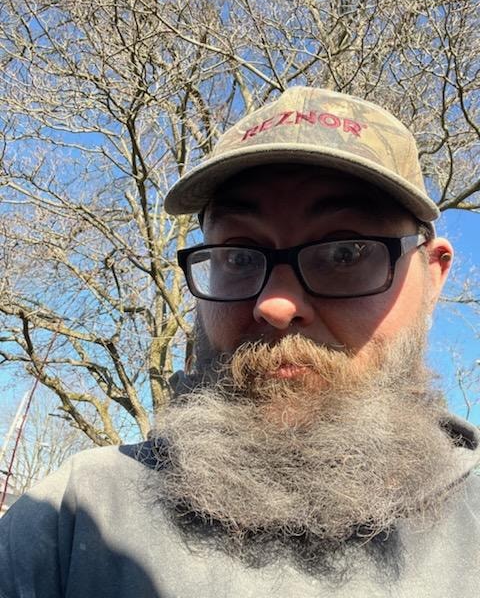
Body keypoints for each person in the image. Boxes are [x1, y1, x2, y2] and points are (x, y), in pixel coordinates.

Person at [1, 87, 479, 597]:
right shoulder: (72, 518)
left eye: (344, 253)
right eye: (239, 257)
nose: (275, 305)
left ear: (433, 275)